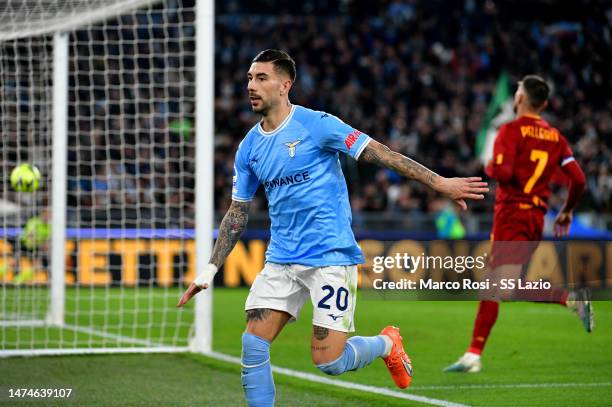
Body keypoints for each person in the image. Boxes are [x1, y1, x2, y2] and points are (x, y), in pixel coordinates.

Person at [177, 49, 488, 405]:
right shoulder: (248, 148)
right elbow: (237, 211)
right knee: (252, 343)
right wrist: (210, 268)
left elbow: (380, 152)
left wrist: (438, 183)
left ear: (285, 85)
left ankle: (388, 343)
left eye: (261, 78)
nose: (252, 85)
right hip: (281, 260)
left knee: (329, 362)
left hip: (329, 257)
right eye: (249, 78)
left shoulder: (318, 125)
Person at [444, 75, 592, 374]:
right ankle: (473, 354)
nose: (515, 95)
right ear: (545, 104)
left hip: (513, 213)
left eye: (517, 90)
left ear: (520, 99)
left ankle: (569, 299)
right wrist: (566, 211)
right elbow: (578, 178)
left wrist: (490, 165)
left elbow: (505, 172)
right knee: (496, 284)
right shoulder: (556, 137)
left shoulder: (510, 130)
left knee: (499, 286)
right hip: (535, 216)